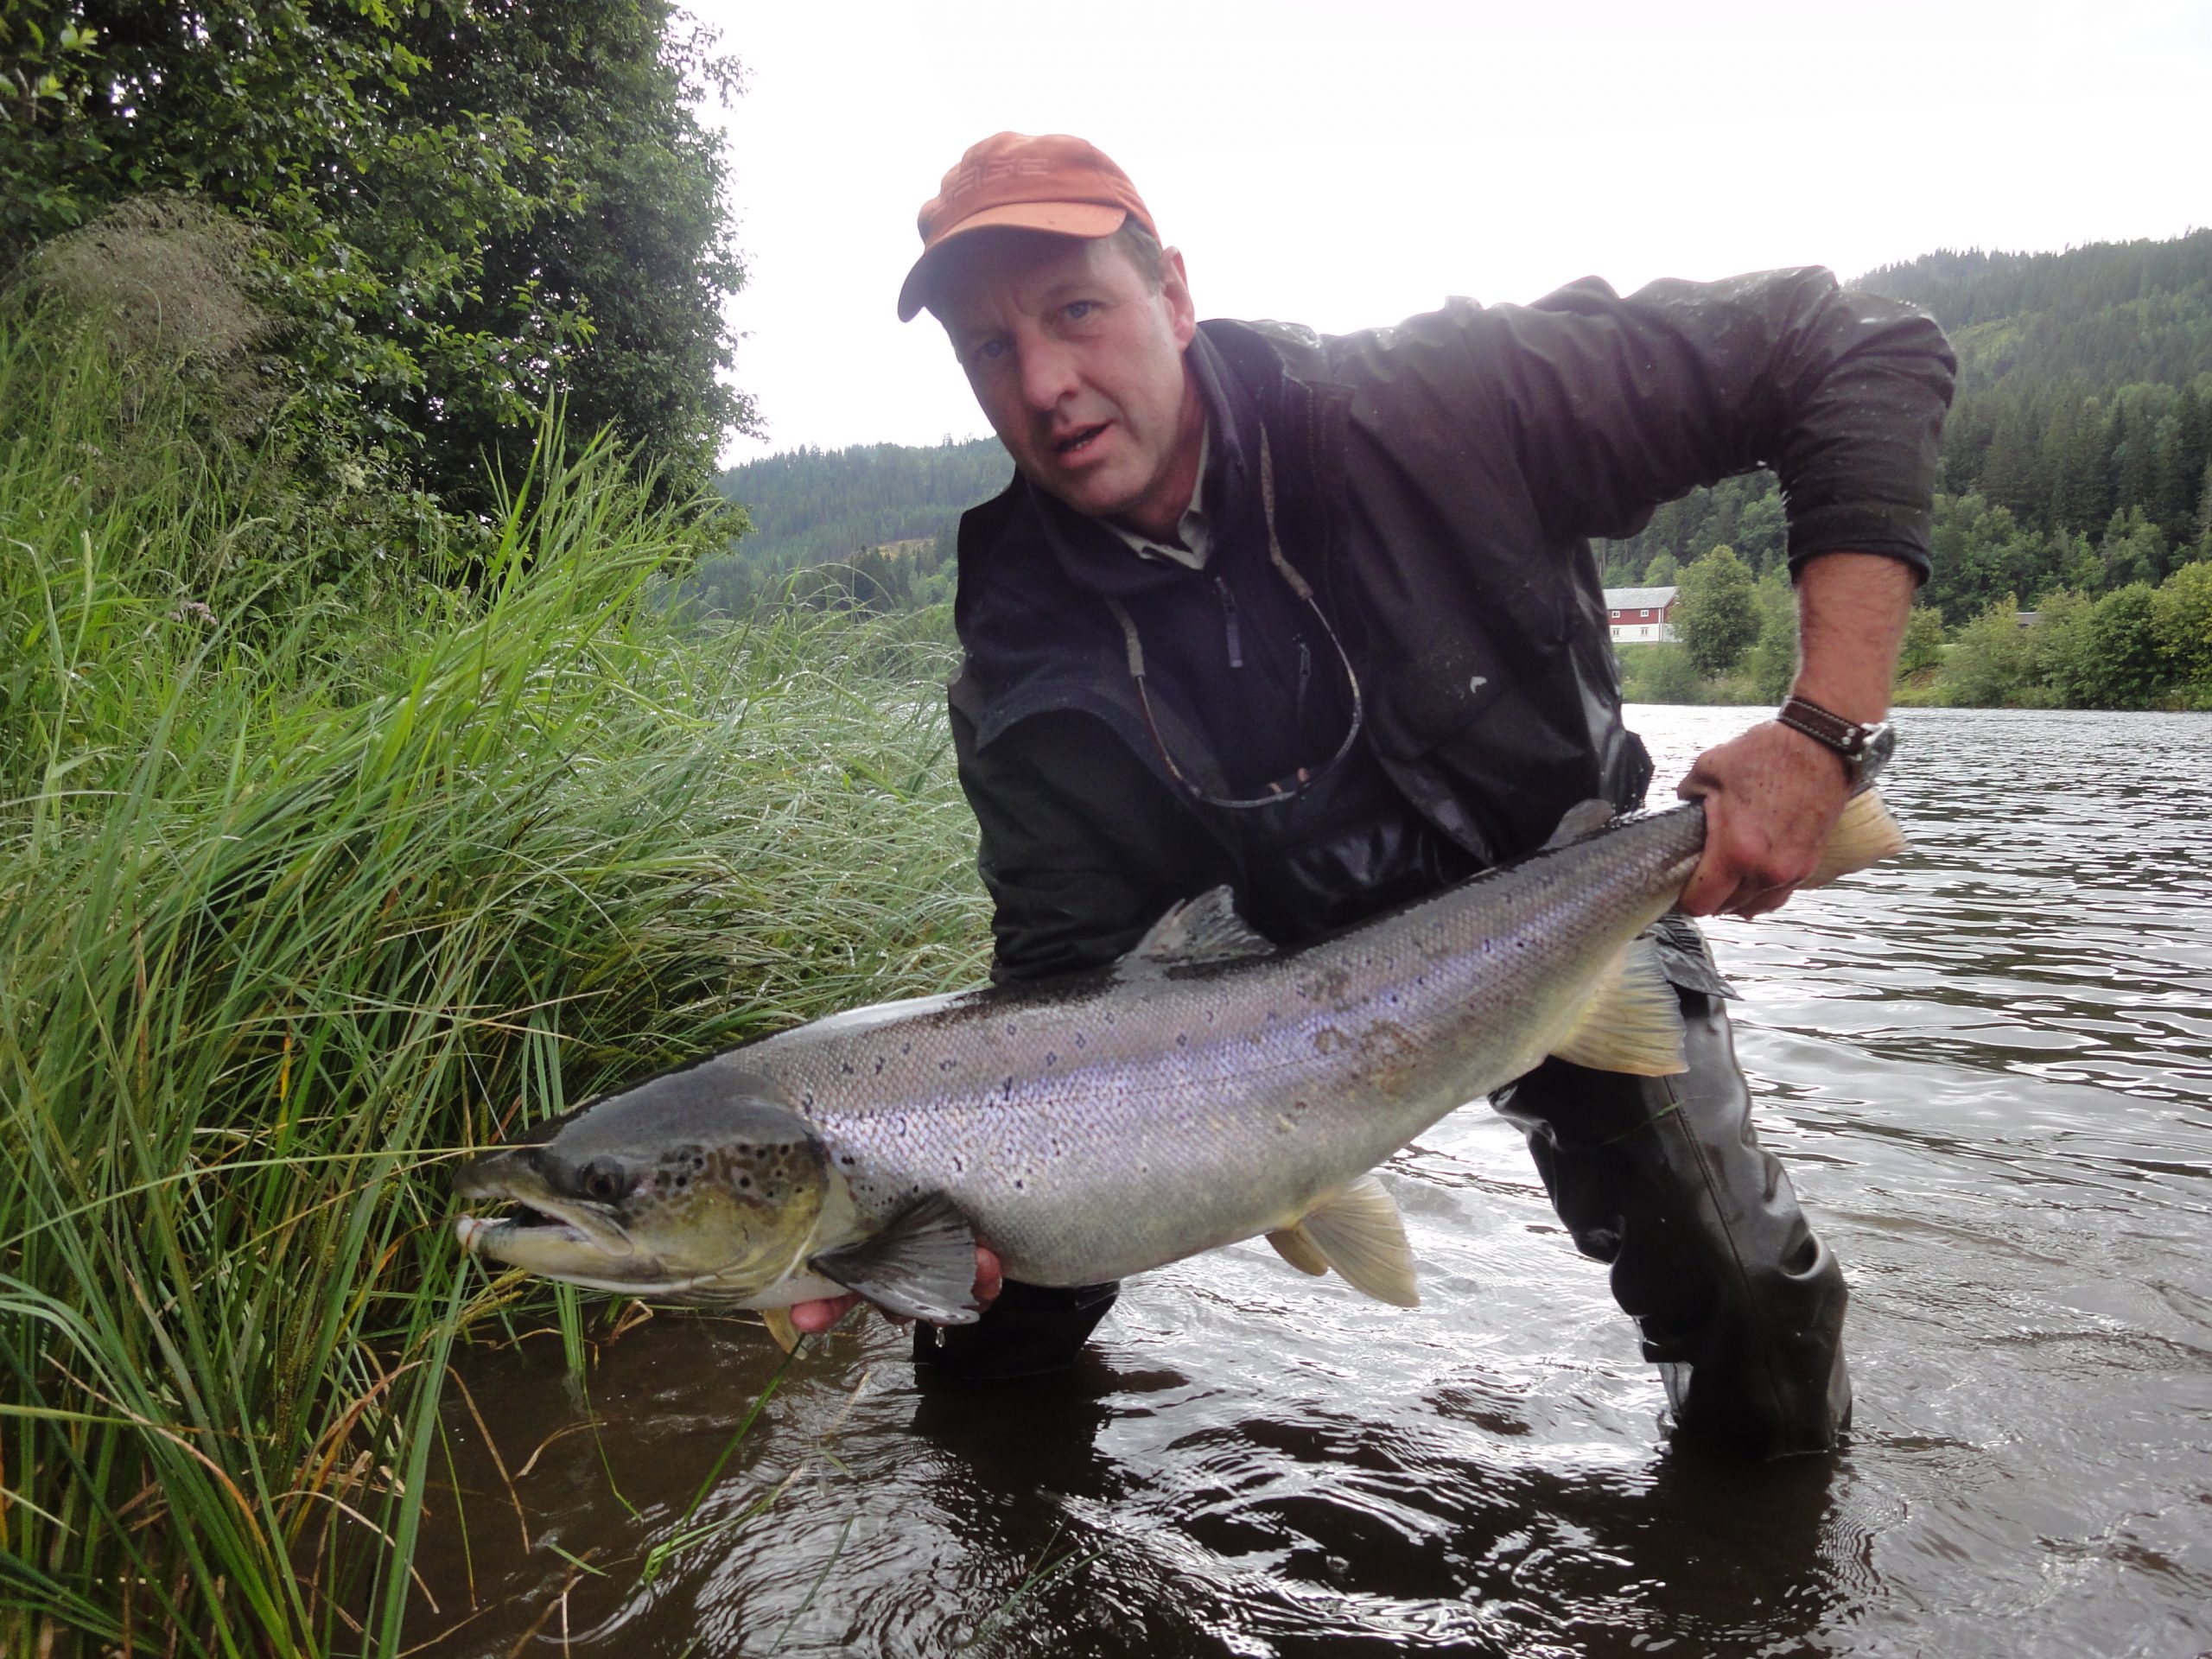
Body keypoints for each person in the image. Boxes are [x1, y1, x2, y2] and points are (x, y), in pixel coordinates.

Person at [792, 131, 1955, 1459]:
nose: (1046, 382)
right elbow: (1068, 971)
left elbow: (1855, 341)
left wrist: (1821, 733)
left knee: (1752, 1314)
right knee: (984, 1336)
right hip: (1253, 1024)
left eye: (1076, 312)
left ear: (1172, 293)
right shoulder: (1019, 648)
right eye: (991, 351)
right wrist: (978, 1224)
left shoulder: (1434, 402)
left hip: (1564, 920)